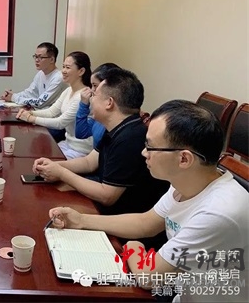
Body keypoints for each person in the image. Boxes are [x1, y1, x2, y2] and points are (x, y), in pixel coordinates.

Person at [48, 100, 248, 302]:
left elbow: (148, 277)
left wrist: (133, 247)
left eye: (151, 147)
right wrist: (81, 220)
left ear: (184, 159)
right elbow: (146, 223)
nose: (144, 153)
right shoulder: (188, 180)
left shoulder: (217, 213)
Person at [33, 68, 170, 248]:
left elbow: (107, 196)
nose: (90, 98)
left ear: (109, 103)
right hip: (109, 213)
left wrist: (61, 173)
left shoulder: (131, 138)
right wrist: (55, 165)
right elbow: (89, 162)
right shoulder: (115, 127)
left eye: (95, 94)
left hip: (127, 231)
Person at [17, 51, 94, 160]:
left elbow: (60, 123)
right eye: (63, 67)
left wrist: (31, 118)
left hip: (80, 150)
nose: (63, 71)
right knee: (38, 156)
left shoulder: (83, 95)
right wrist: (31, 113)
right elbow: (51, 112)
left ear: (81, 71)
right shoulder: (68, 90)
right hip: (67, 144)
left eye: (68, 67)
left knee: (43, 163)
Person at [1, 42, 66, 109]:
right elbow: (30, 93)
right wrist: (11, 96)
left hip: (53, 114)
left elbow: (40, 103)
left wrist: (14, 98)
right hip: (40, 112)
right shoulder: (40, 74)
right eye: (36, 56)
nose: (36, 60)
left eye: (40, 57)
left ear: (52, 59)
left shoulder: (58, 78)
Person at [75, 62, 120, 148]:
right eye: (92, 85)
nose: (92, 90)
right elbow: (81, 133)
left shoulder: (114, 116)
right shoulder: (100, 112)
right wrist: (83, 104)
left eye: (95, 85)